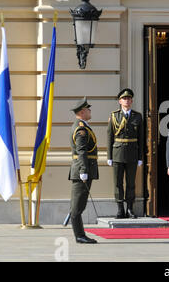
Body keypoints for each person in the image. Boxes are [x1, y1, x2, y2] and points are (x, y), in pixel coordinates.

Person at [107, 88, 144, 219]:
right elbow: (110, 137)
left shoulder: (137, 116)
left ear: (132, 101)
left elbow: (141, 137)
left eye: (129, 98)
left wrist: (140, 157)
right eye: (124, 99)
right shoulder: (114, 116)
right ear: (120, 101)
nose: (126, 101)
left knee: (130, 183)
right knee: (117, 183)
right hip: (117, 153)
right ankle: (120, 209)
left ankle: (130, 209)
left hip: (132, 154)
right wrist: (109, 156)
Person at [68, 97, 98, 244]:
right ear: (82, 111)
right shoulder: (81, 129)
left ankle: (80, 234)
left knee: (80, 204)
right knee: (77, 206)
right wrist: (83, 170)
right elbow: (81, 152)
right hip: (82, 170)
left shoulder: (83, 126)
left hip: (84, 169)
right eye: (88, 109)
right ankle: (79, 235)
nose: (90, 111)